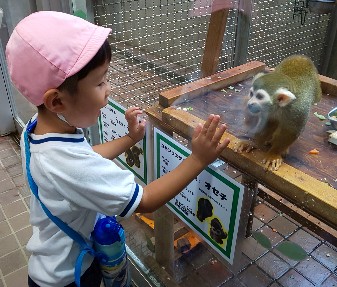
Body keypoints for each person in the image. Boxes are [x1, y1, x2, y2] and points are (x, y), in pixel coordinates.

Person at [6, 11, 230, 287]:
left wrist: (129, 139)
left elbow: (86, 160)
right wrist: (197, 158)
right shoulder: (66, 163)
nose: (108, 90)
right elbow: (145, 199)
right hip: (70, 278)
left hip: (50, 265)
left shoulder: (37, 129)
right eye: (100, 82)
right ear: (56, 102)